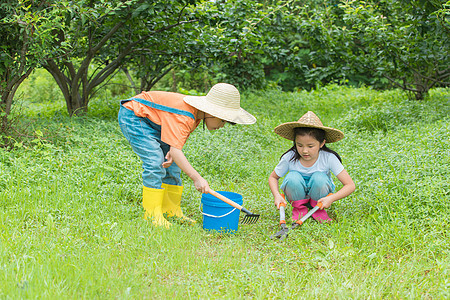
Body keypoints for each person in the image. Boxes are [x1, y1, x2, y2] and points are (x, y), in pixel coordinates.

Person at [118, 83, 256, 228]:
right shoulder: (185, 115)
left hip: (156, 121)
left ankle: (171, 210)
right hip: (135, 115)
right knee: (155, 161)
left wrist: (172, 150)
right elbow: (177, 148)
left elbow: (177, 143)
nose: (222, 125)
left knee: (174, 165)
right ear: (212, 112)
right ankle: (151, 214)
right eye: (222, 120)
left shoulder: (195, 115)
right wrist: (197, 178)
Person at [268, 111, 355, 222]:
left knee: (320, 178)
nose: (304, 151)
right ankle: (299, 209)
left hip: (320, 199)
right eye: (299, 145)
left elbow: (350, 185)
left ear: (322, 143)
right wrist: (277, 195)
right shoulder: (289, 157)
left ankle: (318, 209)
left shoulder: (329, 158)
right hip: (297, 196)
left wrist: (331, 198)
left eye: (310, 146)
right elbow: (273, 177)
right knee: (292, 177)